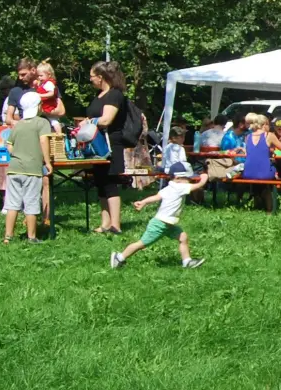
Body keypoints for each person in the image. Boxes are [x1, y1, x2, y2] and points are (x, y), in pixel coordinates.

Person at [110, 162, 209, 269]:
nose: (190, 180)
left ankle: (187, 262)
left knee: (183, 238)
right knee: (142, 244)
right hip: (159, 225)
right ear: (178, 177)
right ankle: (119, 257)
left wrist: (143, 202)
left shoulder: (169, 187)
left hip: (168, 224)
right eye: (188, 178)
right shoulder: (179, 187)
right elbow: (198, 185)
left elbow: (156, 197)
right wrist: (204, 177)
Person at [86, 61, 133, 235]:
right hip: (96, 146)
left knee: (110, 183)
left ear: (101, 77)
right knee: (100, 183)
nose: (90, 79)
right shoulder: (99, 95)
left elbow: (106, 120)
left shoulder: (114, 95)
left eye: (92, 76)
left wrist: (89, 122)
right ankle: (105, 223)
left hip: (110, 145)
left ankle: (116, 225)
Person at [4, 92, 52, 244]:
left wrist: (18, 154)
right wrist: (47, 161)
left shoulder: (18, 125)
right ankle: (31, 237)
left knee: (12, 204)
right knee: (31, 203)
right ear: (38, 106)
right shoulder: (42, 123)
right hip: (32, 169)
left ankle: (8, 237)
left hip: (14, 168)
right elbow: (44, 141)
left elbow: (9, 144)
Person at [240, 113, 281, 213]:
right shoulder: (269, 135)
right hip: (265, 174)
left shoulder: (247, 137)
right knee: (278, 170)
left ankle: (258, 204)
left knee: (259, 180)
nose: (269, 127)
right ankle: (270, 209)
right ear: (264, 125)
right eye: (268, 124)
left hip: (247, 173)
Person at [3, 58, 37, 126]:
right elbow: (8, 118)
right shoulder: (15, 92)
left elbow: (61, 111)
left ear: (33, 70)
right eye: (19, 75)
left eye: (23, 74)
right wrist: (14, 122)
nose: (20, 78)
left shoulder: (46, 88)